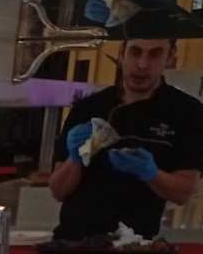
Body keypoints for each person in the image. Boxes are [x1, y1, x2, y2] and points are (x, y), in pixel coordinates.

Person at [49, 13, 203, 241]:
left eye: (155, 54)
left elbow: (183, 192)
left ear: (170, 57)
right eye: (135, 52)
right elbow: (58, 191)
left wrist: (151, 173)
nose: (142, 64)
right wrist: (75, 158)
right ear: (122, 53)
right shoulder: (88, 107)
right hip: (73, 241)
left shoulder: (187, 112)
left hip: (135, 245)